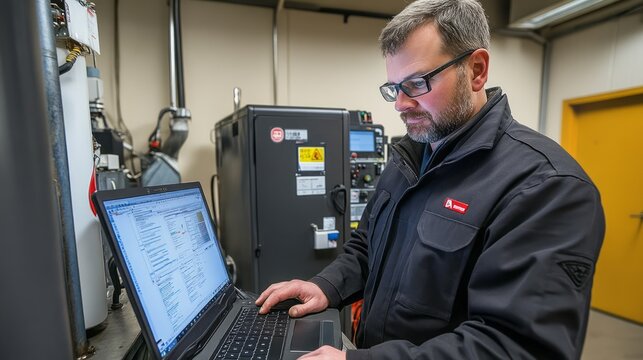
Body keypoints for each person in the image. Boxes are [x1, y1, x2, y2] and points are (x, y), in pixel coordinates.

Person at [256, 0, 605, 358]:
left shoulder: (546, 187)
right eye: (394, 88)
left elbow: (516, 347)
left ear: (477, 70)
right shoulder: (410, 155)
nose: (400, 104)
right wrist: (326, 287)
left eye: (416, 83)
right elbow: (366, 247)